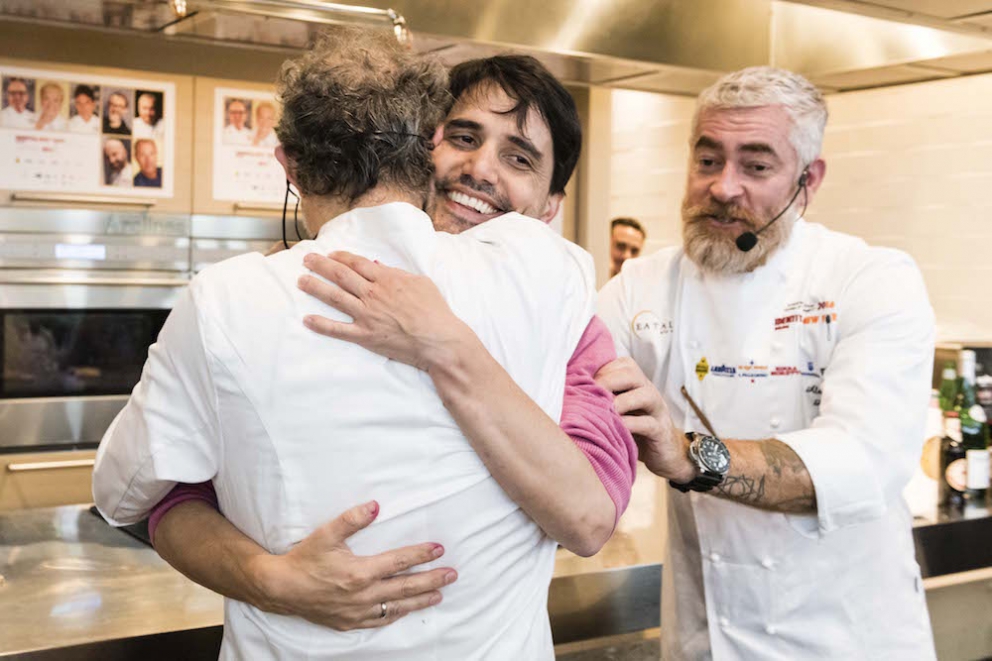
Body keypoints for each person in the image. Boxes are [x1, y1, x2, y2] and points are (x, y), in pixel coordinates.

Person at [93, 30, 623, 660]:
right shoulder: (556, 274)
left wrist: (444, 342)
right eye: (463, 137)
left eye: (519, 158)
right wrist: (273, 580)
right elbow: (174, 498)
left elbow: (591, 516)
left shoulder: (231, 299)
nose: (480, 169)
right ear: (423, 147)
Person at [595, 66, 937, 659]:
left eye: (755, 166)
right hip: (707, 636)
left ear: (809, 180)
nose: (724, 188)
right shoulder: (640, 287)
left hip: (848, 640)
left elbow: (860, 462)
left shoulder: (870, 279)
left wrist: (687, 454)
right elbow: (561, 388)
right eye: (707, 161)